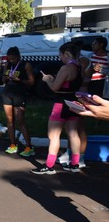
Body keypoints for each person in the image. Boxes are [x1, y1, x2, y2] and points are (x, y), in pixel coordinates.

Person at [32, 42, 83, 174]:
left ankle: (49, 165)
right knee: (73, 133)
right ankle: (75, 163)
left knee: (53, 135)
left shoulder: (66, 68)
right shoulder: (79, 67)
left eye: (60, 55)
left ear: (66, 54)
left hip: (61, 103)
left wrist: (47, 79)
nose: (60, 58)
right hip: (74, 103)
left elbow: (55, 87)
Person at [0, 47, 35, 157]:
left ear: (19, 56)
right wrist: (6, 78)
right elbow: (3, 80)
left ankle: (29, 147)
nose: (12, 61)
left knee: (20, 120)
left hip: (19, 94)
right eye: (10, 59)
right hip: (7, 93)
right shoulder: (8, 65)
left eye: (14, 59)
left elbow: (32, 81)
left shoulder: (25, 65)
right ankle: (13, 145)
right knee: (10, 120)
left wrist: (19, 80)